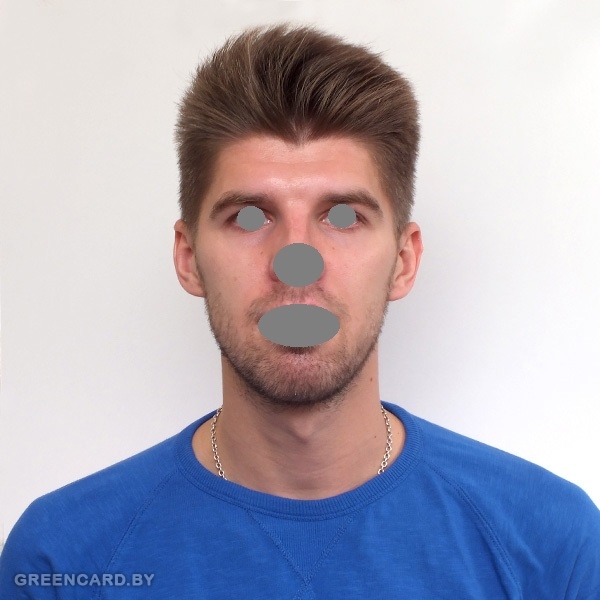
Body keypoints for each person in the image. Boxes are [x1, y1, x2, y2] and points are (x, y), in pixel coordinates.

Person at [1, 24, 599, 599]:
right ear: (188, 258)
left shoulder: (554, 548)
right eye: (249, 217)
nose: (296, 264)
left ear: (403, 261)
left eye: (343, 218)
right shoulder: (64, 560)